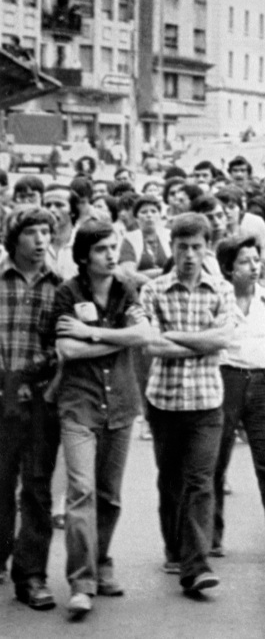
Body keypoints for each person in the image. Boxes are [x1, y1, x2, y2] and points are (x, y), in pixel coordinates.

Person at [51, 220, 152, 618]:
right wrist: (115, 337)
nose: (111, 255)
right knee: (81, 491)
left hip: (121, 403)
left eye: (114, 247)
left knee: (109, 495)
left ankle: (102, 563)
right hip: (79, 403)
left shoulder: (126, 290)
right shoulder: (67, 292)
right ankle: (81, 581)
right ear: (83, 256)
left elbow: (143, 334)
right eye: (101, 250)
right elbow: (66, 350)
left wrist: (91, 334)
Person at [140, 213, 235, 594]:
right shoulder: (154, 290)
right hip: (163, 401)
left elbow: (223, 338)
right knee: (170, 481)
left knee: (201, 480)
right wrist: (200, 339)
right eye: (182, 248)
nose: (190, 256)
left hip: (207, 402)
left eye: (197, 248)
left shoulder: (221, 289)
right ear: (173, 248)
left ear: (207, 248)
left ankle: (196, 565)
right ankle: (174, 549)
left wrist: (175, 337)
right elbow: (150, 343)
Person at [210, 235, 265, 567]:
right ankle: (210, 534)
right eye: (245, 262)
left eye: (256, 260)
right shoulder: (217, 301)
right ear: (228, 270)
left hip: (262, 381)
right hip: (225, 379)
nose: (255, 266)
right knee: (215, 462)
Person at [0, 206, 63, 610]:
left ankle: (32, 575)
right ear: (13, 238)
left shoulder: (61, 286)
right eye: (32, 233)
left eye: (46, 233)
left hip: (41, 400)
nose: (41, 240)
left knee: (37, 490)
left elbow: (62, 348)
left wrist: (30, 380)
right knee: (1, 484)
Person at [119, 195, 171, 286]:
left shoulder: (169, 235)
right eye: (144, 212)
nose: (149, 215)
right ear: (136, 218)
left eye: (153, 211)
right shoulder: (129, 239)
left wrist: (142, 272)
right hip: (141, 289)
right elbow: (128, 273)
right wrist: (153, 285)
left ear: (159, 215)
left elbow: (178, 269)